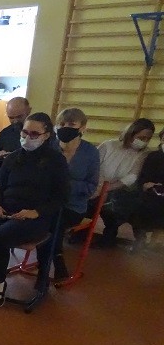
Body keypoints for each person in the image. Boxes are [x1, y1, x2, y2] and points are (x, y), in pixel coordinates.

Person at [0, 112, 69, 307]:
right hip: (6, 210)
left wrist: (36, 212)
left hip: (35, 217)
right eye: (25, 132)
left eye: (34, 134)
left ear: (46, 135)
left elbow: (61, 197)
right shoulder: (13, 157)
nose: (28, 137)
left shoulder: (56, 161)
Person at [36, 108, 99, 280]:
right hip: (47, 202)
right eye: (62, 124)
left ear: (82, 128)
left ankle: (50, 265)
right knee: (46, 219)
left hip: (73, 207)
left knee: (53, 222)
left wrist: (66, 185)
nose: (65, 128)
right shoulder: (49, 146)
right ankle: (52, 262)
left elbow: (91, 186)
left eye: (71, 124)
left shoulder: (91, 152)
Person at [93, 118, 155, 247]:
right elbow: (94, 166)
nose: (144, 141)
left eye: (147, 139)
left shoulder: (145, 154)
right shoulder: (108, 145)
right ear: (131, 133)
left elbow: (132, 177)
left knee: (117, 202)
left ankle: (110, 233)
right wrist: (98, 185)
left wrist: (107, 188)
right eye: (141, 137)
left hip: (120, 189)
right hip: (96, 184)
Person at [0, 97, 31, 182]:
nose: (15, 121)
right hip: (7, 173)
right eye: (11, 118)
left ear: (29, 111)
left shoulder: (38, 133)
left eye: (19, 117)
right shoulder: (5, 133)